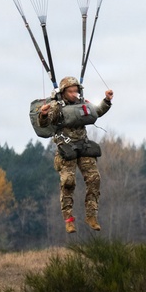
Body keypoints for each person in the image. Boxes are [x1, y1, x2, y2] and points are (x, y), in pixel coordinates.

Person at [37, 76, 114, 233]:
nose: (74, 94)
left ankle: (91, 215)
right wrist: (43, 114)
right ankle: (69, 219)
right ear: (64, 92)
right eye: (71, 91)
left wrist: (106, 100)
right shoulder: (56, 107)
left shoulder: (82, 103)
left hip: (83, 145)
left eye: (76, 91)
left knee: (94, 179)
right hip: (66, 148)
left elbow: (97, 112)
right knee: (68, 182)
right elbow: (44, 123)